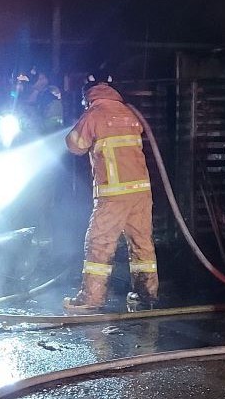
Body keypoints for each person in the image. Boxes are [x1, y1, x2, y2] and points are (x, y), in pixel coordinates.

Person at [62, 75, 159, 313]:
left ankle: (91, 299)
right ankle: (147, 294)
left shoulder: (94, 114)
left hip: (113, 194)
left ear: (88, 95)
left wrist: (77, 123)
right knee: (142, 243)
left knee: (99, 242)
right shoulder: (129, 113)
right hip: (141, 192)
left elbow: (75, 145)